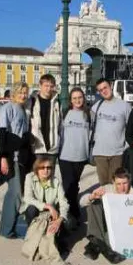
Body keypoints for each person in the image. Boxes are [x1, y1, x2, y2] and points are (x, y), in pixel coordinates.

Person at [80, 168, 133, 264]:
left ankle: (96, 244)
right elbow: (82, 202)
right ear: (113, 182)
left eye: (125, 183)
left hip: (122, 228)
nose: (122, 187)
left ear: (129, 182)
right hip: (105, 224)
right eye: (118, 184)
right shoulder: (107, 189)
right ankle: (105, 248)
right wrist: (91, 197)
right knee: (93, 203)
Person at [0, 82, 30, 238]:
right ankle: (7, 230)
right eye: (20, 92)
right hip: (11, 156)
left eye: (25, 92)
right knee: (15, 192)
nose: (23, 95)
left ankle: (8, 227)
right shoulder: (7, 109)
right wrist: (3, 157)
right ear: (14, 93)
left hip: (22, 157)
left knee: (15, 192)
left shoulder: (23, 110)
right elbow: (2, 134)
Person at [91, 78, 131, 185]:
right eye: (100, 90)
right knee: (103, 185)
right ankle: (103, 202)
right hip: (100, 153)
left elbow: (131, 129)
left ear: (111, 86)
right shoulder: (96, 107)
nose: (104, 91)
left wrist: (125, 146)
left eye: (105, 87)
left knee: (116, 184)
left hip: (117, 153)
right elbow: (91, 128)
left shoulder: (125, 106)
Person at [59, 87, 89, 225]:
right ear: (71, 100)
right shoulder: (65, 113)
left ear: (83, 98)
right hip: (65, 156)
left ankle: (70, 212)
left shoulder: (88, 114)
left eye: (80, 97)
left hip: (81, 156)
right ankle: (73, 214)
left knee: (74, 184)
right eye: (74, 98)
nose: (77, 100)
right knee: (68, 185)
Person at [22, 157, 69, 243]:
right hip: (36, 211)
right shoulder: (29, 177)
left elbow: (64, 202)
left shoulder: (56, 181)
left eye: (48, 168)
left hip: (50, 214)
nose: (46, 170)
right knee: (31, 209)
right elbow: (27, 198)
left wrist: (60, 219)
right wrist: (48, 206)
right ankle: (33, 235)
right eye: (42, 167)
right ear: (37, 169)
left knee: (69, 223)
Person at [27, 74, 62, 166]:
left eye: (51, 86)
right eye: (46, 86)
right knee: (36, 178)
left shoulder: (57, 102)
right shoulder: (31, 101)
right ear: (40, 86)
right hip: (37, 148)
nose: (48, 89)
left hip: (53, 149)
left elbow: (61, 125)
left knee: (50, 178)